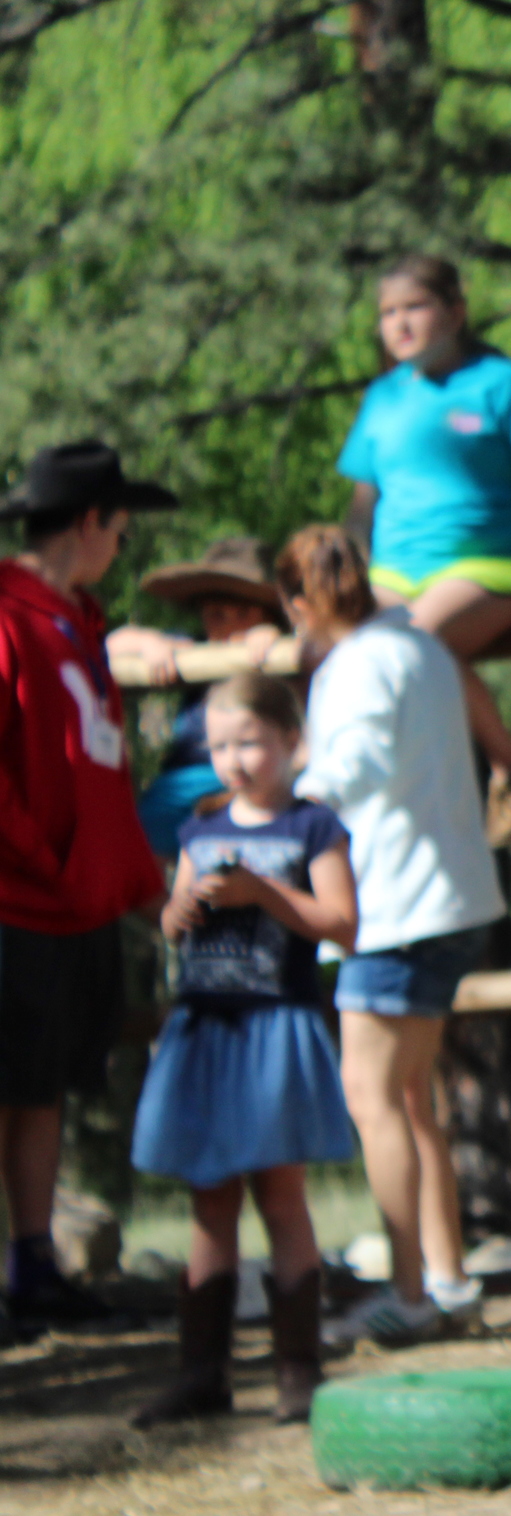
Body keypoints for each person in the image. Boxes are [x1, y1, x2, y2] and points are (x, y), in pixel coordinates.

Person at [277, 526, 504, 1346]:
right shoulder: (423, 650)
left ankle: (408, 1294)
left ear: (299, 605)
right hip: (447, 902)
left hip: (392, 909)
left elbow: (358, 764)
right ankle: (442, 1275)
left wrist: (282, 791)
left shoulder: (358, 663)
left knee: (373, 1099)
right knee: (412, 1100)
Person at [130, 673, 356, 1426]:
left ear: (293, 741)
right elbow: (169, 922)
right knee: (209, 1200)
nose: (235, 759)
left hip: (275, 1028)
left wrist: (263, 894)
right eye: (221, 745)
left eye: (250, 742)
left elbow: (342, 922)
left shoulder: (313, 827)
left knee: (280, 1196)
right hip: (205, 1028)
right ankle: (202, 1372)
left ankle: (298, 1370)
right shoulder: (199, 827)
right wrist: (182, 905)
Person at [0, 442, 175, 1337]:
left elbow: (99, 785)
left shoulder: (79, 623)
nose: (124, 539)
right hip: (17, 902)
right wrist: (50, 865)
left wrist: (145, 891)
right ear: (88, 523)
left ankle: (34, 1263)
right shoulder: (6, 615)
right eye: (120, 522)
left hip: (79, 911)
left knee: (43, 1091)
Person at [338, 255, 511, 784]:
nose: (401, 323)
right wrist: (343, 587)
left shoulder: (502, 385)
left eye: (415, 306)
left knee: (414, 644)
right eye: (388, 312)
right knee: (347, 653)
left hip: (483, 568)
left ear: (456, 312)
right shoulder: (383, 397)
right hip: (392, 573)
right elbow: (360, 508)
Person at [108, 537, 288, 856]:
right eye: (217, 614)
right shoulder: (189, 648)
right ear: (202, 616)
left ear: (268, 615)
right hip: (187, 782)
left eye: (244, 612)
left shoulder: (278, 654)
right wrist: (147, 642)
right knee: (133, 833)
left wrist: (271, 643)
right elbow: (111, 644)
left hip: (261, 776)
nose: (231, 624)